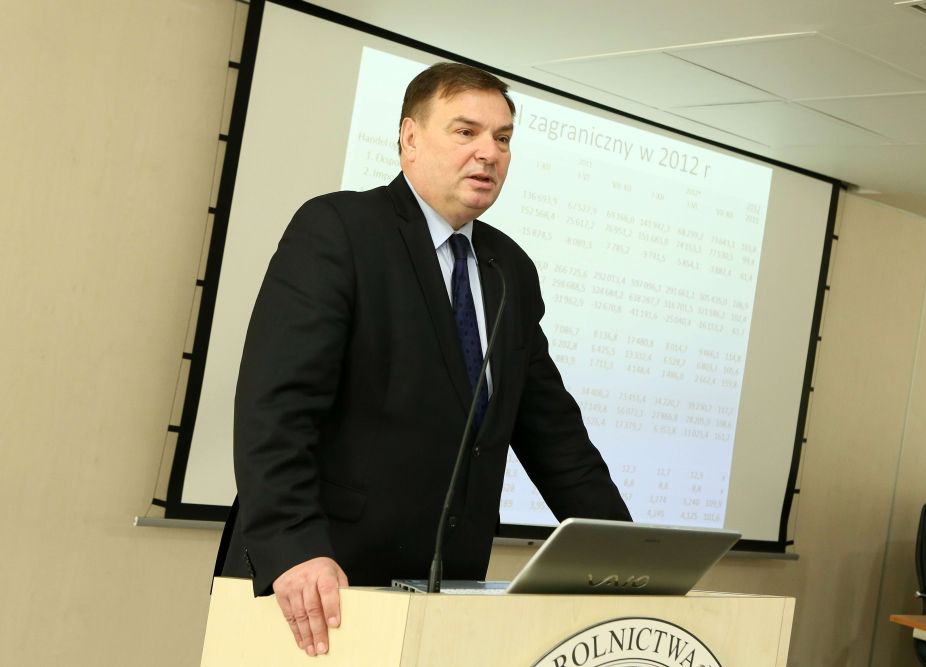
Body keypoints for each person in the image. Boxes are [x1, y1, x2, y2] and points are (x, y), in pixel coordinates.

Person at [216, 62, 630, 657]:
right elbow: (274, 407)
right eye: (466, 132)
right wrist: (294, 545)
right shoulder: (339, 230)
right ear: (409, 138)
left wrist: (628, 557)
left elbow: (555, 434)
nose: (489, 152)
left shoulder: (510, 268)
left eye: (503, 138)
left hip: (444, 592)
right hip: (318, 583)